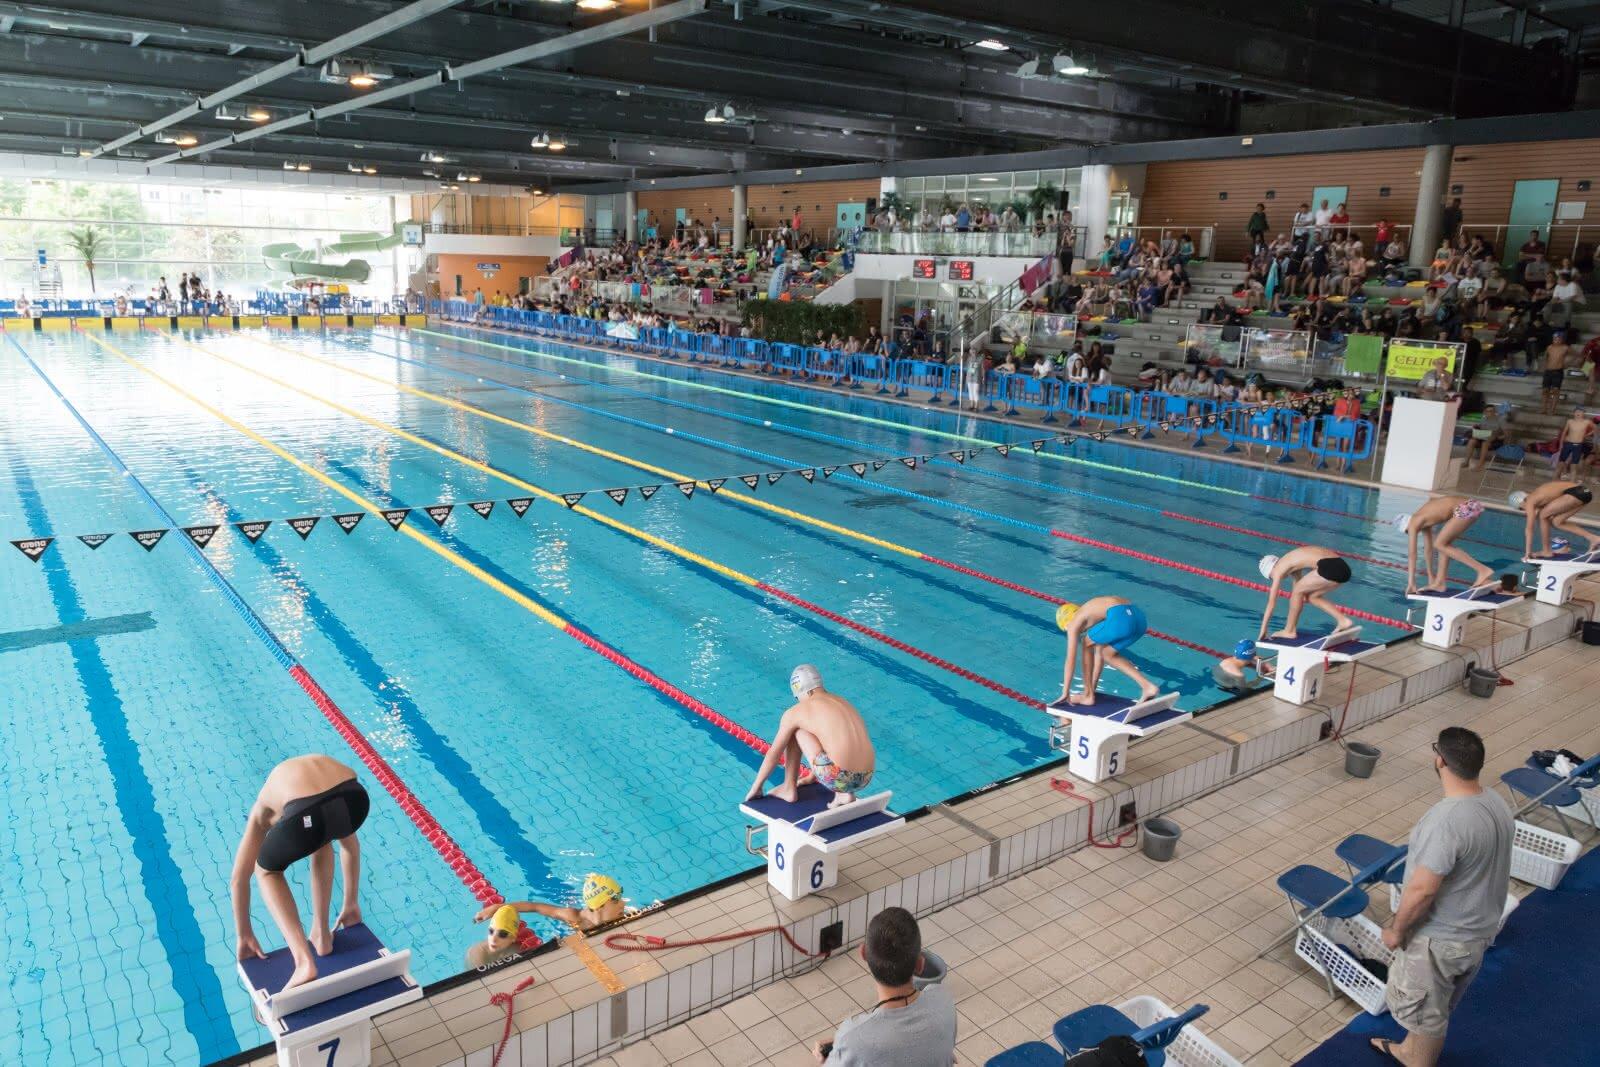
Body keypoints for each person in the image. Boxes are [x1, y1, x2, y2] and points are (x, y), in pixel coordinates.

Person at [1372, 727, 1513, 1067]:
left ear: (1440, 761)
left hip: (1442, 939)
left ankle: (1418, 1061)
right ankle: (1409, 1051)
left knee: (1427, 1014)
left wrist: (1397, 930)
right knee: (1433, 1006)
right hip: (1478, 931)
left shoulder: (1446, 821)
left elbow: (1422, 890)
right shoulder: (1495, 802)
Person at [231, 755, 370, 990]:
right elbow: (350, 847)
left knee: (265, 871)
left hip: (308, 810)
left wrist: (244, 934)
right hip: (353, 796)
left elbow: (239, 878)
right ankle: (322, 935)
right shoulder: (292, 780)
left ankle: (304, 962)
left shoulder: (259, 814)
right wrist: (351, 903)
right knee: (322, 839)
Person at [813, 907, 956, 1065]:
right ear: (920, 965)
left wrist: (836, 1053)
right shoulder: (943, 1001)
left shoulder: (852, 1038)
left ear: (863, 954)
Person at [746, 665, 875, 808]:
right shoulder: (841, 701)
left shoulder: (797, 711)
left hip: (839, 778)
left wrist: (757, 787)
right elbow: (834, 744)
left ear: (804, 691)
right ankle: (845, 791)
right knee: (822, 734)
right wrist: (811, 777)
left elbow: (773, 754)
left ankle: (789, 788)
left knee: (797, 730)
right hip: (866, 777)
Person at [466, 874, 626, 967]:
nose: (623, 904)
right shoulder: (574, 917)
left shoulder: (620, 915)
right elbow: (535, 906)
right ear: (598, 906)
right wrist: (496, 907)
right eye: (615, 900)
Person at [1054, 596, 1161, 706]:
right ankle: (1148, 686)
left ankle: (1087, 695)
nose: (1082, 631)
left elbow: (1070, 659)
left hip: (1122, 617)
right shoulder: (1093, 611)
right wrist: (1093, 688)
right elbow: (1099, 651)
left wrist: (1065, 691)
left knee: (1086, 643)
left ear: (1067, 623)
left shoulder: (1073, 623)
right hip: (1139, 619)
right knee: (1107, 653)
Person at [1395, 498, 1493, 593]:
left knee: (1439, 544)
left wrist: (1411, 583)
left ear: (1407, 525)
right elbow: (1428, 550)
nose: (1409, 533)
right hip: (1470, 506)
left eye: (1407, 531)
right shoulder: (1422, 520)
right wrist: (1430, 576)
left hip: (1465, 507)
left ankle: (1482, 570)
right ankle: (1439, 583)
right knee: (1443, 545)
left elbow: (1412, 554)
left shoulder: (1414, 523)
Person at [1257, 547, 1354, 639]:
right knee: (1312, 597)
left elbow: (1271, 604)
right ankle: (1343, 620)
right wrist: (1299, 597)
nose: (1274, 578)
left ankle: (1289, 631)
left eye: (1271, 577)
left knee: (1297, 591)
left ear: (1271, 570)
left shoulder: (1278, 570)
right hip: (1343, 568)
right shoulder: (1290, 561)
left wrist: (1263, 629)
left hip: (1330, 567)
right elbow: (1301, 593)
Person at [1512, 481, 1598, 558]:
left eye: (1521, 509)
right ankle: (1593, 538)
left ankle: (1546, 551)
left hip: (1576, 492)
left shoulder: (1529, 501)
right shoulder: (1537, 496)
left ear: (1521, 502)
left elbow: (1529, 529)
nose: (1524, 511)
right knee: (1557, 522)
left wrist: (1528, 552)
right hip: (1584, 492)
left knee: (1543, 516)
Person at [1556, 408, 1595, 480]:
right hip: (1568, 444)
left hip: (1578, 445)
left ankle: (1572, 483)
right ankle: (1556, 479)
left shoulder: (1587, 422)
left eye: (1580, 412)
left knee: (1574, 466)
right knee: (1560, 464)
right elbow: (1564, 433)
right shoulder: (1570, 421)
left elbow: (1595, 428)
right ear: (1574, 413)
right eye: (1576, 411)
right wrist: (1561, 445)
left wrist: (1587, 435)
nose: (1578, 413)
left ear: (1583, 413)